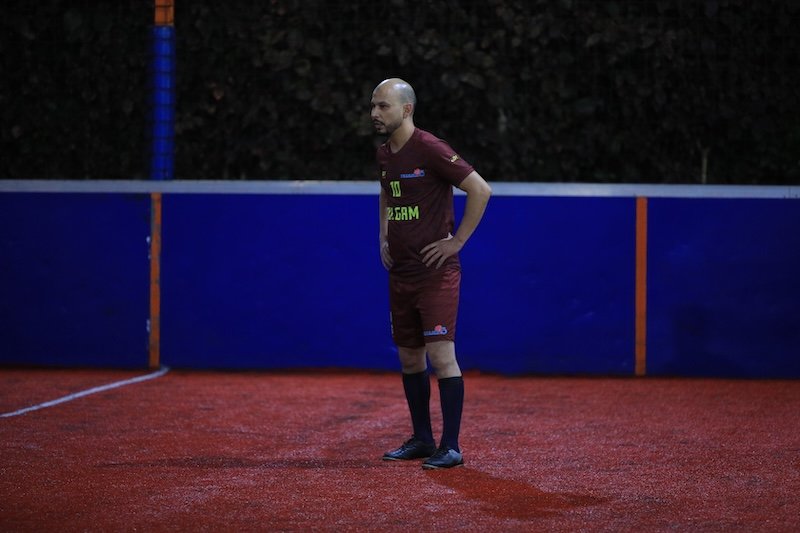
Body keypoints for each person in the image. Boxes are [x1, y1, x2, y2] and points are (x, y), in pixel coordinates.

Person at [371, 78, 491, 469]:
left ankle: (450, 446)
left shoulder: (430, 148)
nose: (374, 113)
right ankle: (422, 439)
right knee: (409, 359)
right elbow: (386, 192)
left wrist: (457, 242)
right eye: (373, 106)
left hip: (436, 274)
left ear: (406, 109)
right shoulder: (385, 153)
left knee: (441, 356)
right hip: (400, 274)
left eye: (383, 106)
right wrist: (384, 235)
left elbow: (481, 190)